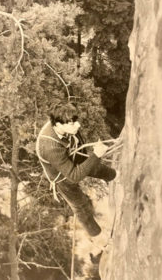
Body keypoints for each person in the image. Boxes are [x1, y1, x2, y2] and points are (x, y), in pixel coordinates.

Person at [36, 101, 116, 236]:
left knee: (94, 167)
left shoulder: (63, 122)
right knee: (80, 204)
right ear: (59, 125)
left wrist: (90, 158)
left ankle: (115, 176)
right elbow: (74, 176)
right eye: (73, 123)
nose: (78, 125)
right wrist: (96, 154)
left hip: (73, 155)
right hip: (61, 177)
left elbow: (78, 140)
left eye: (76, 121)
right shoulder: (50, 147)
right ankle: (96, 233)